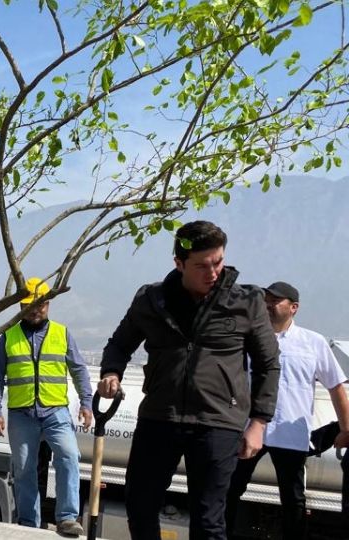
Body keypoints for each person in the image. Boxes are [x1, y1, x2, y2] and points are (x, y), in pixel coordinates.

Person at [98, 220, 280, 540]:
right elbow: (119, 344)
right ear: (179, 263)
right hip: (160, 417)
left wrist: (259, 423)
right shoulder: (151, 299)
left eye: (218, 261)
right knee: (140, 505)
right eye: (202, 265)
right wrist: (111, 372)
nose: (213, 272)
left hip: (218, 422)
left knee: (209, 519)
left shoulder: (246, 302)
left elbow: (268, 365)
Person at [225, 282, 349, 539]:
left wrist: (347, 429)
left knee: (293, 499)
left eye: (275, 301)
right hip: (250, 430)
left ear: (294, 307)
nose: (268, 305)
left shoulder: (312, 343)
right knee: (229, 488)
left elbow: (336, 387)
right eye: (266, 300)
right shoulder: (248, 339)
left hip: (290, 434)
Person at [0, 277, 92, 537]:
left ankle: (67, 517)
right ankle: (28, 522)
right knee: (23, 468)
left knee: (69, 456)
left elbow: (78, 369)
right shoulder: (8, 335)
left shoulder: (61, 332)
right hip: (22, 413)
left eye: (41, 304)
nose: (36, 310)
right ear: (21, 305)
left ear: (49, 303)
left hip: (55, 410)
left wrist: (86, 403)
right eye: (30, 304)